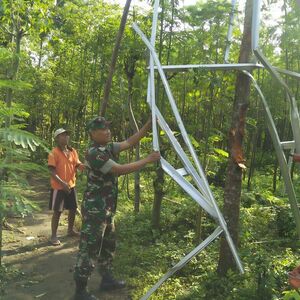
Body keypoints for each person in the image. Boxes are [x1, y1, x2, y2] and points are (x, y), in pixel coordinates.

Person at [73, 116, 160, 300]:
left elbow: (129, 142)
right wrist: (148, 159)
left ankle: (107, 279)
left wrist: (149, 124)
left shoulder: (108, 147)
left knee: (108, 244)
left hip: (107, 208)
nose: (107, 131)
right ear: (92, 134)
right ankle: (80, 290)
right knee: (90, 248)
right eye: (102, 129)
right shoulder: (94, 153)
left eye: (107, 127)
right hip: (95, 208)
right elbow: (119, 169)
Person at [48, 128, 85, 246]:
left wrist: (87, 166)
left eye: (66, 135)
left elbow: (78, 165)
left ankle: (70, 230)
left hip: (71, 185)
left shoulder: (73, 151)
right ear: (57, 138)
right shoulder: (53, 152)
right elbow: (52, 171)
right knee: (57, 211)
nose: (65, 137)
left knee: (73, 209)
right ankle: (53, 236)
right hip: (58, 187)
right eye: (62, 135)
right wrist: (62, 183)